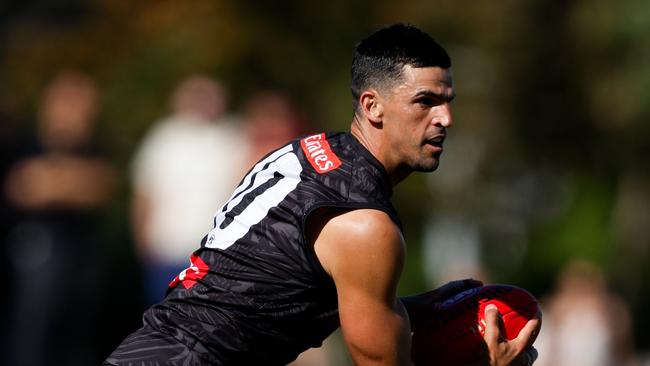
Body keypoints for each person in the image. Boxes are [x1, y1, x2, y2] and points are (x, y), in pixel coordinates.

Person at [105, 23, 540, 365]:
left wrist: (410, 308)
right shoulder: (364, 225)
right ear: (373, 106)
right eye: (425, 101)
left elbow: (277, 289)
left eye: (448, 101)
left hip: (149, 349)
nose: (444, 118)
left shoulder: (308, 154)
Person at [3, 70, 115, 365]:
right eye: (73, 103)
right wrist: (73, 181)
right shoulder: (24, 143)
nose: (82, 114)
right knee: (32, 341)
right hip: (35, 262)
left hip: (81, 267)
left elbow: (102, 186)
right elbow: (25, 185)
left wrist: (55, 181)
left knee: (78, 343)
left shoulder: (97, 147)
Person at [130, 75, 248, 306]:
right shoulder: (163, 137)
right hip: (168, 249)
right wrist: (143, 244)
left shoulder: (233, 136)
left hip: (215, 251)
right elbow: (144, 194)